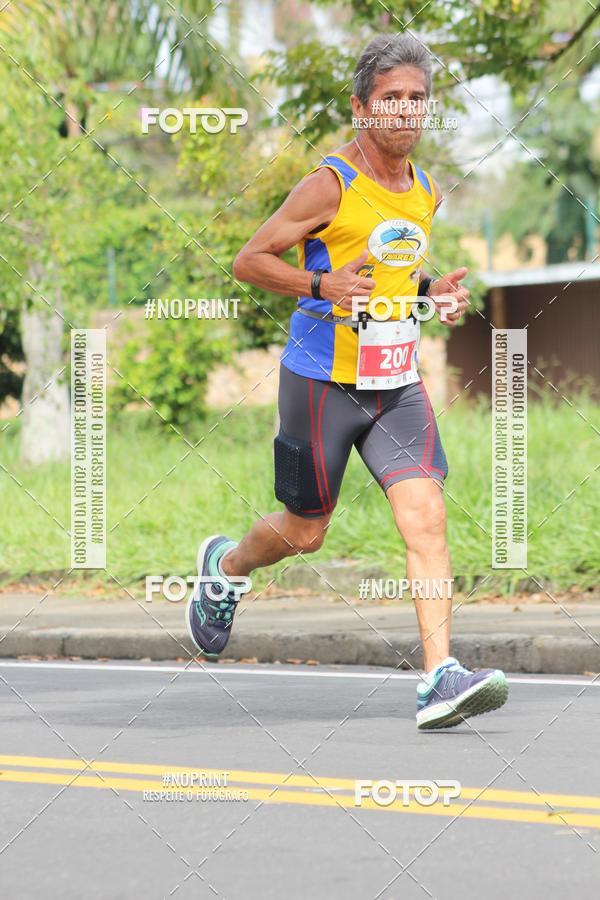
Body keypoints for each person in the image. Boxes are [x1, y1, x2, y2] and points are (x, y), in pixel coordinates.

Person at [186, 33, 508, 729]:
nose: (404, 111)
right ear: (362, 108)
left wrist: (432, 292)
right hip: (321, 384)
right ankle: (227, 565)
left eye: (416, 99)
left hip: (394, 383)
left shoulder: (425, 189)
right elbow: (248, 259)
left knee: (426, 515)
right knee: (305, 533)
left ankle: (439, 677)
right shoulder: (328, 184)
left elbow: (392, 274)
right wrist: (317, 283)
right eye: (390, 99)